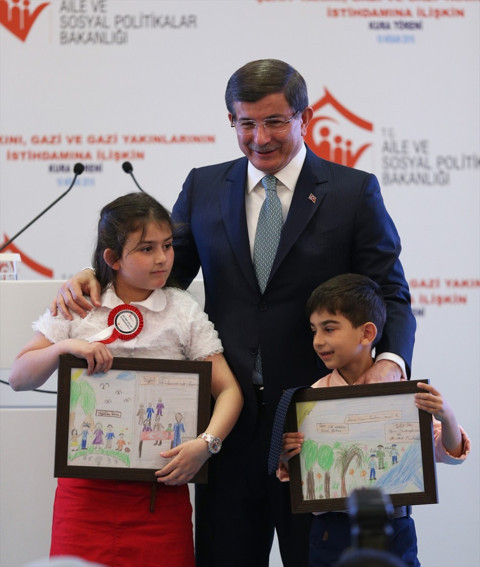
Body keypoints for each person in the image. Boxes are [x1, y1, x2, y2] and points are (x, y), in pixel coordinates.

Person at [50, 59, 416, 566]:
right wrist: (96, 276)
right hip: (224, 428)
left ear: (304, 118)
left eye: (275, 121)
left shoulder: (354, 192)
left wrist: (389, 364)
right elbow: (160, 276)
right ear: (231, 121)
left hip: (316, 423)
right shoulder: (203, 187)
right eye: (246, 123)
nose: (260, 138)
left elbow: (391, 292)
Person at [9, 193, 243, 567]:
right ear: (113, 258)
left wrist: (206, 444)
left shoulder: (182, 310)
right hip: (84, 497)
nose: (162, 258)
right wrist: (64, 347)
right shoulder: (80, 304)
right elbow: (19, 377)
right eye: (146, 249)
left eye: (167, 245)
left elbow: (229, 390)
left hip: (160, 493)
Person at [277, 274, 470, 567]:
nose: (318, 341)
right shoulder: (311, 398)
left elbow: (447, 452)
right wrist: (288, 455)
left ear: (367, 333)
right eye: (314, 330)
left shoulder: (403, 394)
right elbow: (302, 475)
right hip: (330, 530)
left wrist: (447, 415)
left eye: (329, 329)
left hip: (394, 526)